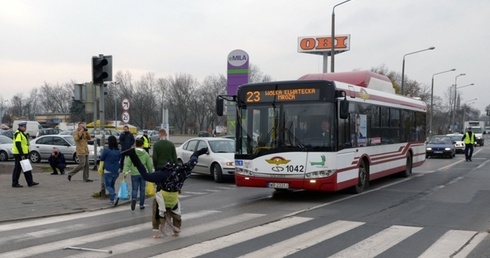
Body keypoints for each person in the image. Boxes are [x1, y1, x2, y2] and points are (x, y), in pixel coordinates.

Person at [123, 146, 208, 238]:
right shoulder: (183, 171)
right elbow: (193, 159)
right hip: (173, 199)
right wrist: (200, 152)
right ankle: (176, 230)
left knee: (156, 210)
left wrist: (134, 157)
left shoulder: (162, 174)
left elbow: (146, 176)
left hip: (162, 198)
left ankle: (156, 233)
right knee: (176, 213)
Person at [123, 138, 153, 210]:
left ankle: (134, 199)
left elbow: (128, 163)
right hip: (143, 173)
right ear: (143, 145)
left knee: (134, 188)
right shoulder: (145, 154)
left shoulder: (132, 153)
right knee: (142, 189)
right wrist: (150, 172)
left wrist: (125, 171)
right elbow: (149, 164)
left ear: (135, 144)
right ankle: (141, 204)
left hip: (134, 173)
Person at [11, 122, 39, 188]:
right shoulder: (18, 133)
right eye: (24, 127)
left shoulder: (22, 133)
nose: (25, 128)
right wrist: (21, 154)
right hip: (19, 154)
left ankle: (30, 182)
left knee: (27, 168)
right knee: (17, 169)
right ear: (21, 127)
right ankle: (15, 183)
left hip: (24, 153)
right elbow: (18, 144)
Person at [100, 135, 121, 205]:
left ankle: (114, 195)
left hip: (108, 170)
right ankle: (112, 200)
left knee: (107, 185)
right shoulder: (118, 150)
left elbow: (102, 158)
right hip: (116, 170)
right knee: (112, 184)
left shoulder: (107, 150)